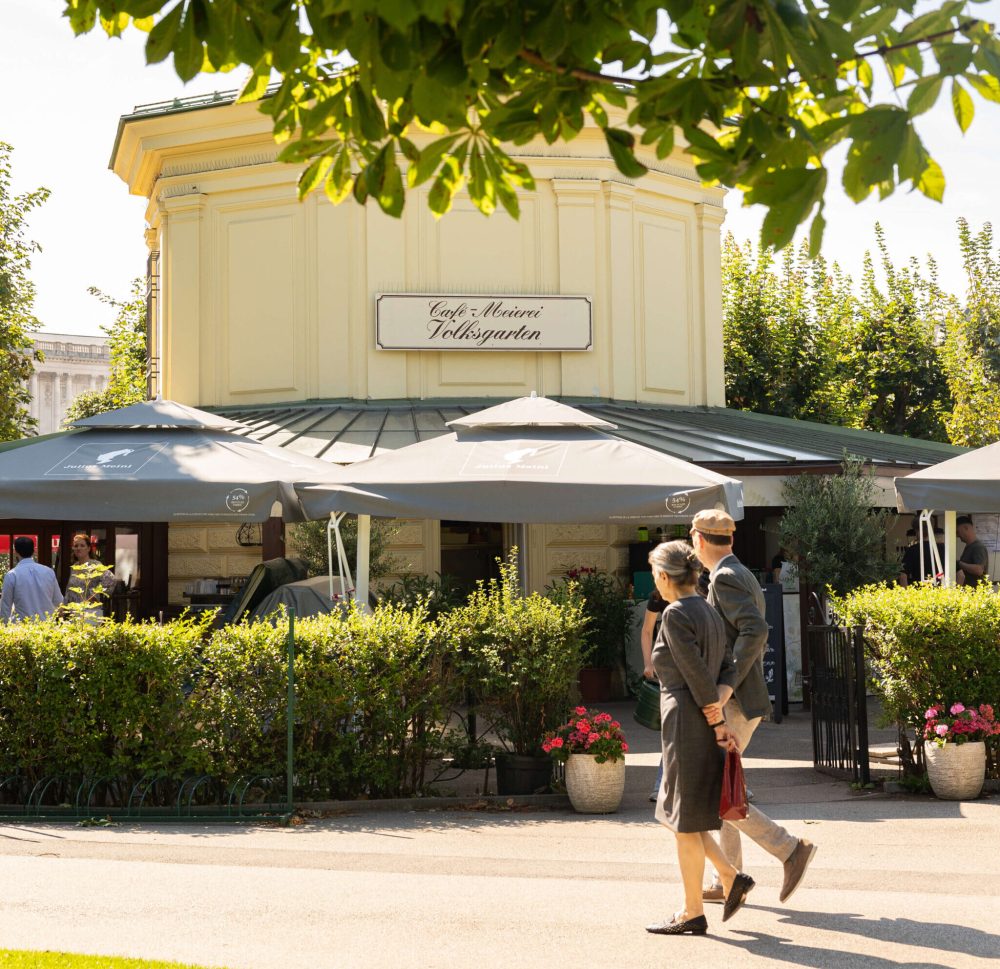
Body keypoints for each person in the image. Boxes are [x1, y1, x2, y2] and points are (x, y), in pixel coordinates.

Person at [689, 509, 817, 906]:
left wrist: (725, 686)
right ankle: (727, 879)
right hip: (745, 699)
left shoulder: (725, 577)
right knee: (723, 788)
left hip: (739, 701)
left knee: (719, 792)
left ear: (698, 539)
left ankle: (788, 849)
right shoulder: (734, 572)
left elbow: (755, 631)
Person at [645, 540, 754, 936]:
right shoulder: (707, 609)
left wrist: (716, 720)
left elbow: (693, 673)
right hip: (702, 720)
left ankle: (693, 911)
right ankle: (726, 877)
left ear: (662, 576)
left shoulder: (674, 614)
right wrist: (720, 710)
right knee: (683, 817)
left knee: (683, 819)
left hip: (686, 722)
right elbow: (729, 666)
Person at [641, 586, 668, 802]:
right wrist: (648, 663)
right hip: (669, 665)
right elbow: (647, 630)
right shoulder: (658, 594)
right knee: (673, 725)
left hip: (697, 663)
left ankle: (736, 783)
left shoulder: (702, 586)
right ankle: (661, 783)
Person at [0, 536, 63, 622]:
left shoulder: (12, 575)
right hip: (47, 627)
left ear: (16, 552)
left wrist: (4, 627)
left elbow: (5, 607)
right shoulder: (48, 572)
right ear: (33, 551)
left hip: (22, 628)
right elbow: (59, 601)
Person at [63, 533, 117, 620]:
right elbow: (69, 590)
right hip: (75, 613)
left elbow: (111, 580)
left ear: (88, 548)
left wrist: (95, 596)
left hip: (91, 613)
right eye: (76, 546)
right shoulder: (75, 566)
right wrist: (64, 607)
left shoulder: (95, 565)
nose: (78, 548)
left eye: (82, 545)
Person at [957, 515, 989, 588]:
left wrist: (959, 564)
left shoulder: (978, 547)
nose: (957, 535)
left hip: (976, 593)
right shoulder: (969, 546)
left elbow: (979, 570)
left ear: (966, 528)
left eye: (958, 532)